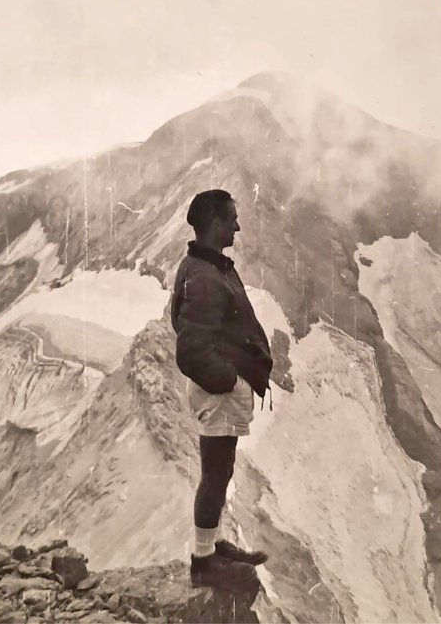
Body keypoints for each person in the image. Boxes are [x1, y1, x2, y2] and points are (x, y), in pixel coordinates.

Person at [170, 189, 273, 585]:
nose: (237, 225)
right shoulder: (205, 276)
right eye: (232, 218)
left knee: (221, 469)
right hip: (219, 393)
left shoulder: (198, 266)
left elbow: (178, 319)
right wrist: (229, 381)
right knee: (216, 472)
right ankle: (203, 561)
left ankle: (209, 547)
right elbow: (191, 351)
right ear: (214, 223)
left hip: (219, 391)